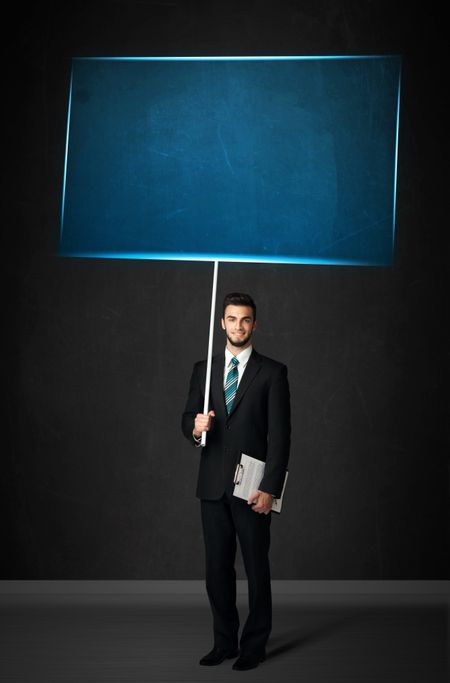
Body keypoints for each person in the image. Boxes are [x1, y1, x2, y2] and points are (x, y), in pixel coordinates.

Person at [181, 292, 291, 671]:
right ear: (222, 323)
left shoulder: (273, 373)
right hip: (212, 488)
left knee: (256, 569)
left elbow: (280, 437)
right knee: (216, 571)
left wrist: (270, 488)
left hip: (252, 489)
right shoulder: (204, 370)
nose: (238, 326)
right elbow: (186, 421)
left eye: (245, 320)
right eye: (231, 319)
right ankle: (224, 642)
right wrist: (196, 429)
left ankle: (253, 646)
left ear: (254, 324)